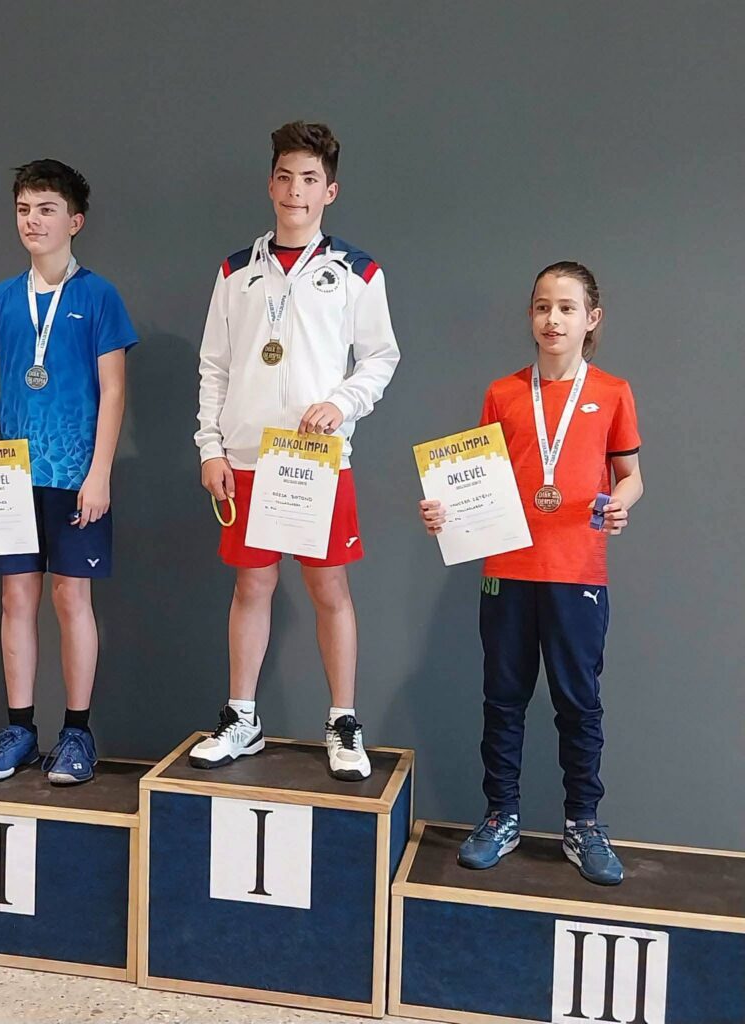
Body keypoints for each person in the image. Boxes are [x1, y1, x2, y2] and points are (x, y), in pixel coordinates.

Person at [419, 262, 643, 885]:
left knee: (579, 702)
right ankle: (501, 816)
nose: (553, 319)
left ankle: (583, 824)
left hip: (577, 570)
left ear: (591, 319)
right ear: (530, 315)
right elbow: (474, 478)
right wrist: (443, 511)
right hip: (507, 568)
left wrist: (622, 502)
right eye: (543, 306)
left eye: (567, 308)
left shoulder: (613, 392)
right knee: (503, 698)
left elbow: (630, 475)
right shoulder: (503, 392)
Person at [193, 122, 400, 781]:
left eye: (309, 179)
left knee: (328, 587)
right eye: (285, 177)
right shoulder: (235, 271)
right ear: (270, 184)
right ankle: (242, 717)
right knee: (251, 585)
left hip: (315, 461)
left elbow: (381, 357)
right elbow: (214, 366)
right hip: (246, 458)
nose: (295, 190)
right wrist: (210, 447)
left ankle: (343, 721)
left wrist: (341, 403)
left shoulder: (357, 272)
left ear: (329, 191)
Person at [0, 159, 137, 786]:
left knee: (71, 598)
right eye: (23, 210)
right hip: (9, 476)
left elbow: (113, 390)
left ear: (75, 220)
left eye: (46, 209)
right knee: (16, 598)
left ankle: (76, 733)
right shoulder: (2, 297)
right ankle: (18, 730)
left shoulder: (98, 295)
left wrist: (101, 473)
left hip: (73, 474)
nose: (32, 221)